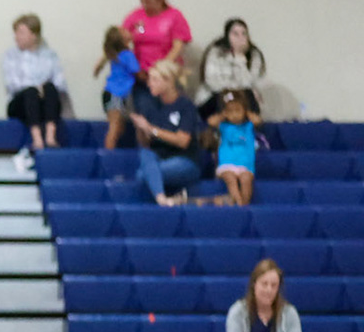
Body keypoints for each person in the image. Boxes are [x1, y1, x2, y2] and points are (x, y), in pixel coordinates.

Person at [131, 61, 205, 207]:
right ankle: (162, 199)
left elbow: (182, 141)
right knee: (145, 155)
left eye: (154, 79)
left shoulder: (185, 105)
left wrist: (151, 129)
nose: (149, 84)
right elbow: (146, 143)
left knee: (145, 174)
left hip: (184, 160)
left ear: (168, 81)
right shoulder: (150, 105)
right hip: (159, 158)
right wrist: (141, 129)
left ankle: (162, 196)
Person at [3, 13, 70, 166]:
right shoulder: (11, 56)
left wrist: (43, 88)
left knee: (50, 88)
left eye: (21, 33)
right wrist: (35, 87)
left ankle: (51, 137)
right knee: (30, 92)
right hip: (20, 103)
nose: (17, 37)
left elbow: (60, 83)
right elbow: (12, 84)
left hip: (44, 101)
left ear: (34, 35)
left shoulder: (49, 55)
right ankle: (37, 139)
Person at [121, 0, 192, 105]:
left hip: (167, 76)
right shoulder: (136, 16)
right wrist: (134, 67)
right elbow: (121, 40)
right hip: (142, 78)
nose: (145, 5)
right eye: (142, 1)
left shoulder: (174, 16)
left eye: (149, 1)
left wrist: (159, 70)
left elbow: (178, 46)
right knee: (145, 115)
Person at [200, 18, 273, 118]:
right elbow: (211, 82)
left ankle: (252, 130)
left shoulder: (253, 54)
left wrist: (240, 60)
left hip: (242, 97)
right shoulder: (216, 52)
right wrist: (233, 90)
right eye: (235, 34)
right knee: (225, 98)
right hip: (220, 95)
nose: (240, 38)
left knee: (249, 95)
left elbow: (250, 83)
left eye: (244, 34)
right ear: (227, 36)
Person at [206, 89, 261, 207]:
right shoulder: (223, 126)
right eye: (230, 111)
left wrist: (247, 113)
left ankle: (244, 206)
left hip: (245, 165)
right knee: (231, 180)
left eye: (238, 110)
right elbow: (211, 121)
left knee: (246, 180)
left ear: (244, 111)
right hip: (227, 164)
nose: (234, 115)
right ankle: (238, 203)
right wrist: (222, 115)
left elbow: (257, 120)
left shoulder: (248, 126)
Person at [95, 26, 143, 150]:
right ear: (122, 39)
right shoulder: (128, 55)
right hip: (115, 94)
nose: (128, 30)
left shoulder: (114, 55)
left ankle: (112, 150)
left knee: (119, 126)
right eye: (124, 31)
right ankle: (109, 156)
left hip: (110, 94)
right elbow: (138, 74)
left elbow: (97, 67)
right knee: (115, 126)